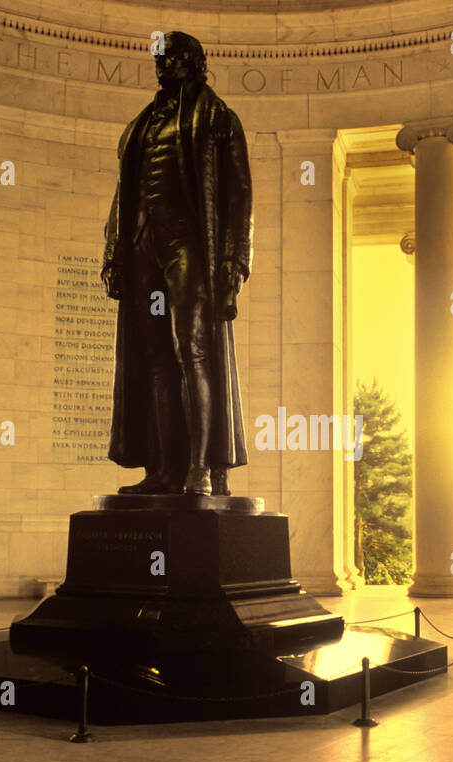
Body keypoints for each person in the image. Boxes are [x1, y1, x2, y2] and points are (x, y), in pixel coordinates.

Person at [101, 31, 252, 496]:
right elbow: (123, 196)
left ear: (193, 63)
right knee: (155, 359)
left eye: (170, 60)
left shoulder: (217, 118)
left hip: (189, 245)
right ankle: (164, 469)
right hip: (144, 244)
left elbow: (239, 194)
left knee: (193, 349)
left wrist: (233, 262)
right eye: (159, 60)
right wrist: (114, 251)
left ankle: (200, 467)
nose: (162, 67)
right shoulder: (141, 125)